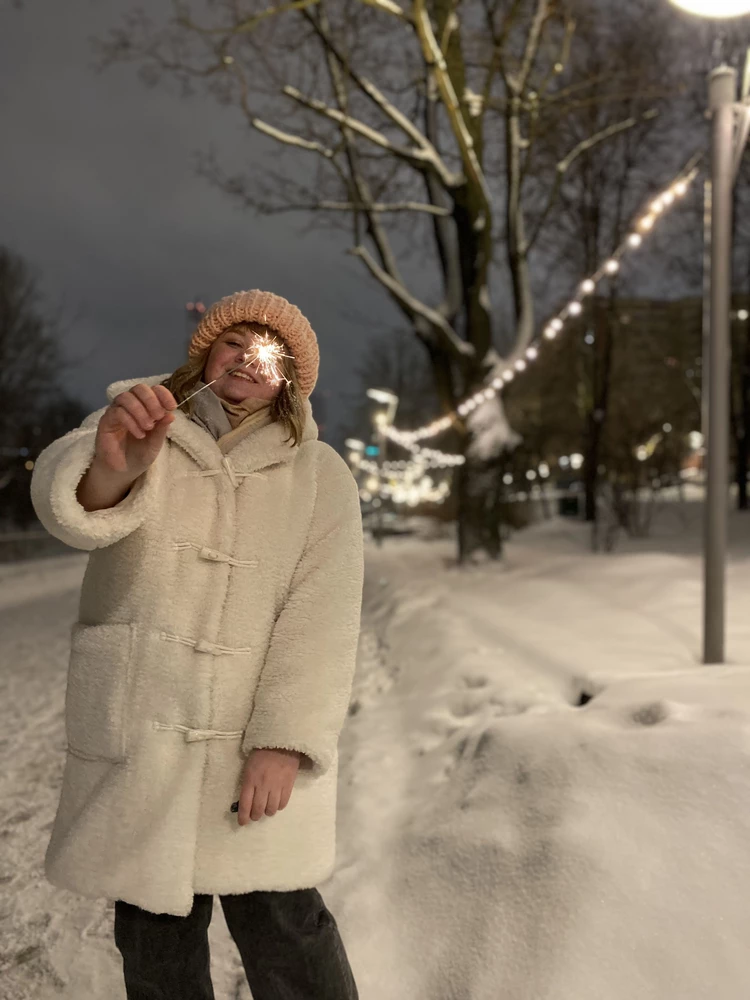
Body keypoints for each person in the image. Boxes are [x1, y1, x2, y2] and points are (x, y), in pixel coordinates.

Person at [30, 289, 364, 1000]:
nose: (248, 358)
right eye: (233, 342)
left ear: (289, 381)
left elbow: (324, 613)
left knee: (286, 931)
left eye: (268, 353)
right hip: (142, 734)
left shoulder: (319, 473)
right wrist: (115, 467)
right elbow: (75, 506)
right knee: (154, 946)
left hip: (252, 746)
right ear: (205, 353)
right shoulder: (143, 423)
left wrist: (285, 739)